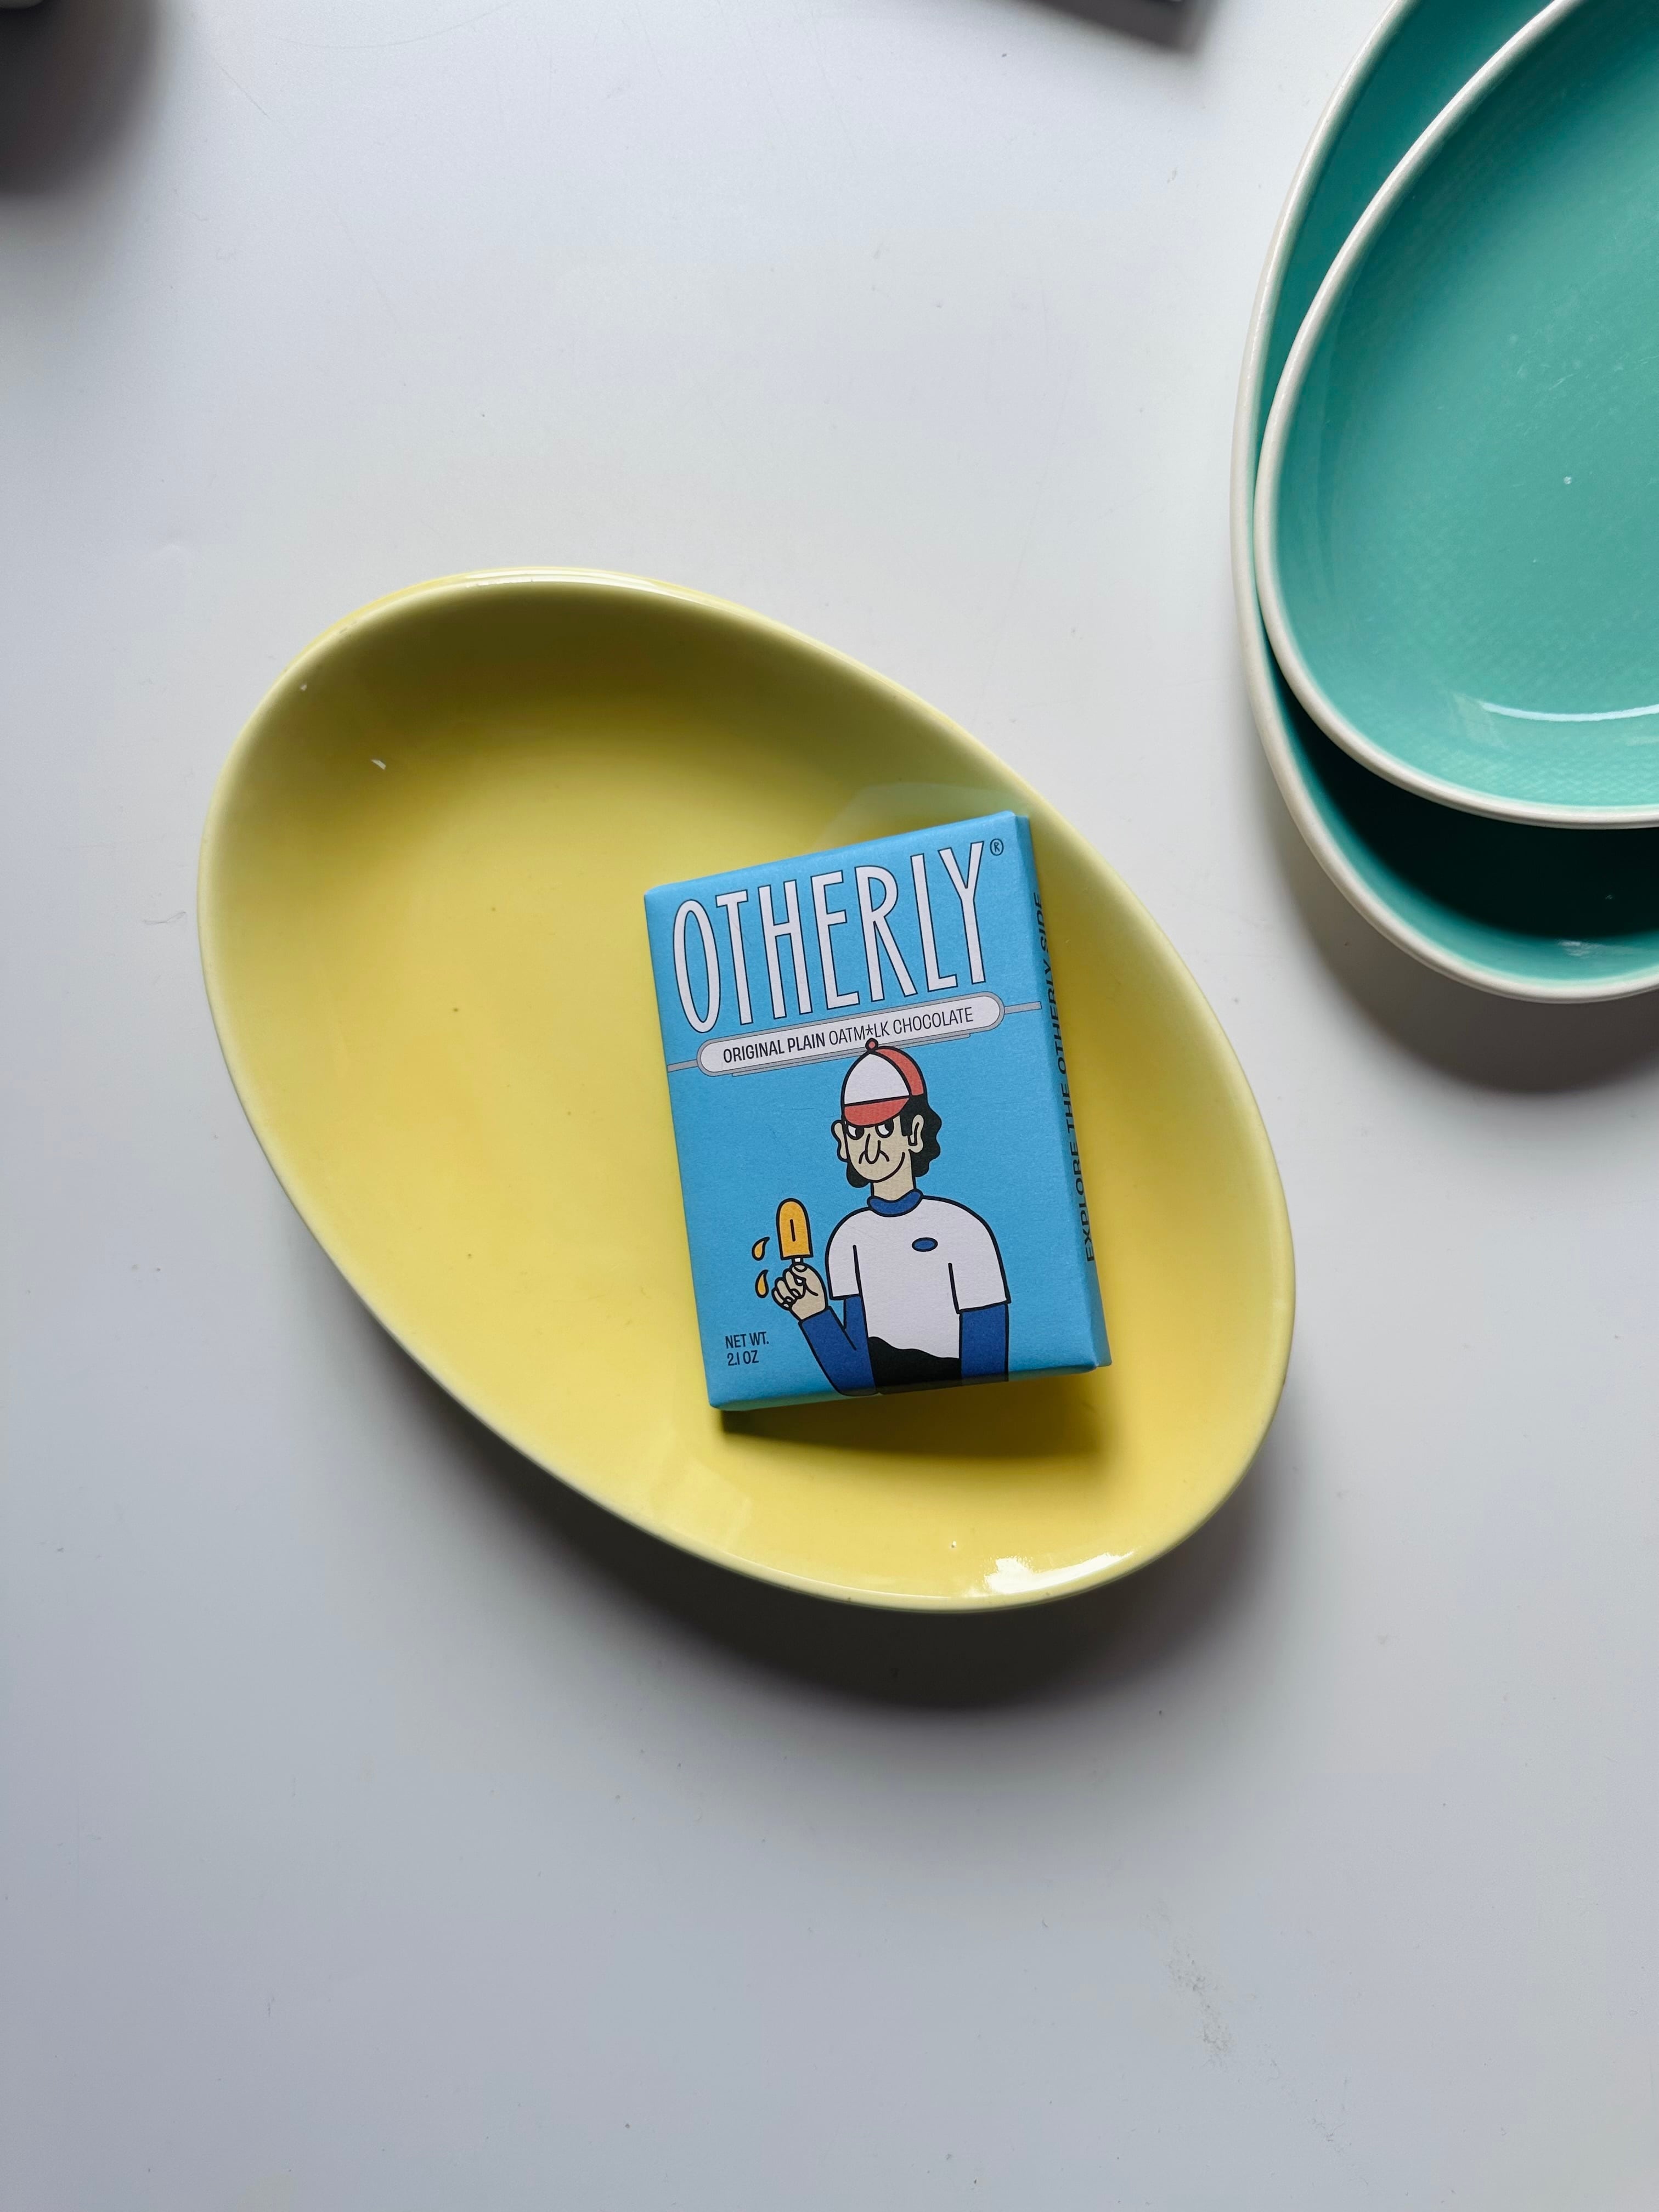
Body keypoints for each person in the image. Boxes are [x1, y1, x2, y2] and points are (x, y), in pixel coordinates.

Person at [773, 1041, 1008, 1391]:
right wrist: (814, 1313)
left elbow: (989, 1363)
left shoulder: (964, 1230)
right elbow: (857, 1380)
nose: (870, 1148)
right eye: (857, 1133)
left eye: (885, 1130)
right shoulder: (848, 1239)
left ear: (915, 1132)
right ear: (842, 1140)